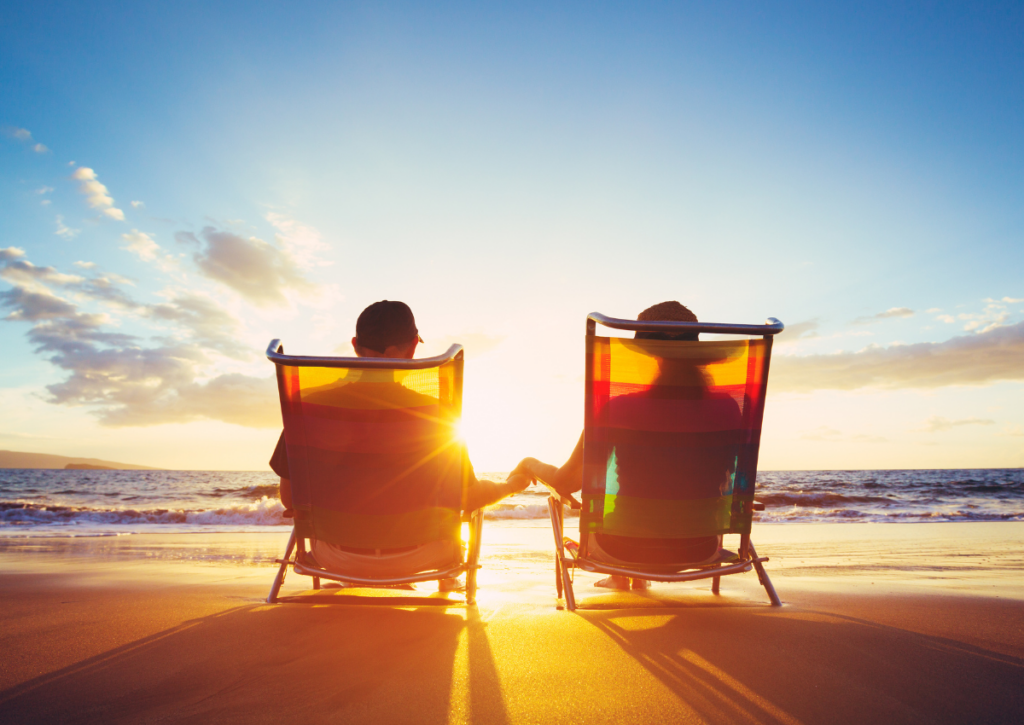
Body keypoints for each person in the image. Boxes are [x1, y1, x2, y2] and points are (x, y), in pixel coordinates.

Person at [270, 300, 531, 589]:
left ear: (355, 345)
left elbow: (290, 499)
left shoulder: (309, 409)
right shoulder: (438, 415)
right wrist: (511, 485)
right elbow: (468, 498)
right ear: (412, 348)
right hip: (423, 556)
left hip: (334, 558)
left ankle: (356, 576)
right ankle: (445, 583)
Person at [511, 301, 738, 591]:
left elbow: (566, 482)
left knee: (619, 512)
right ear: (696, 355)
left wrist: (529, 463)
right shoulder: (728, 409)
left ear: (650, 356)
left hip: (620, 548)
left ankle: (621, 574)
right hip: (701, 547)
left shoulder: (619, 409)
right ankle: (629, 577)